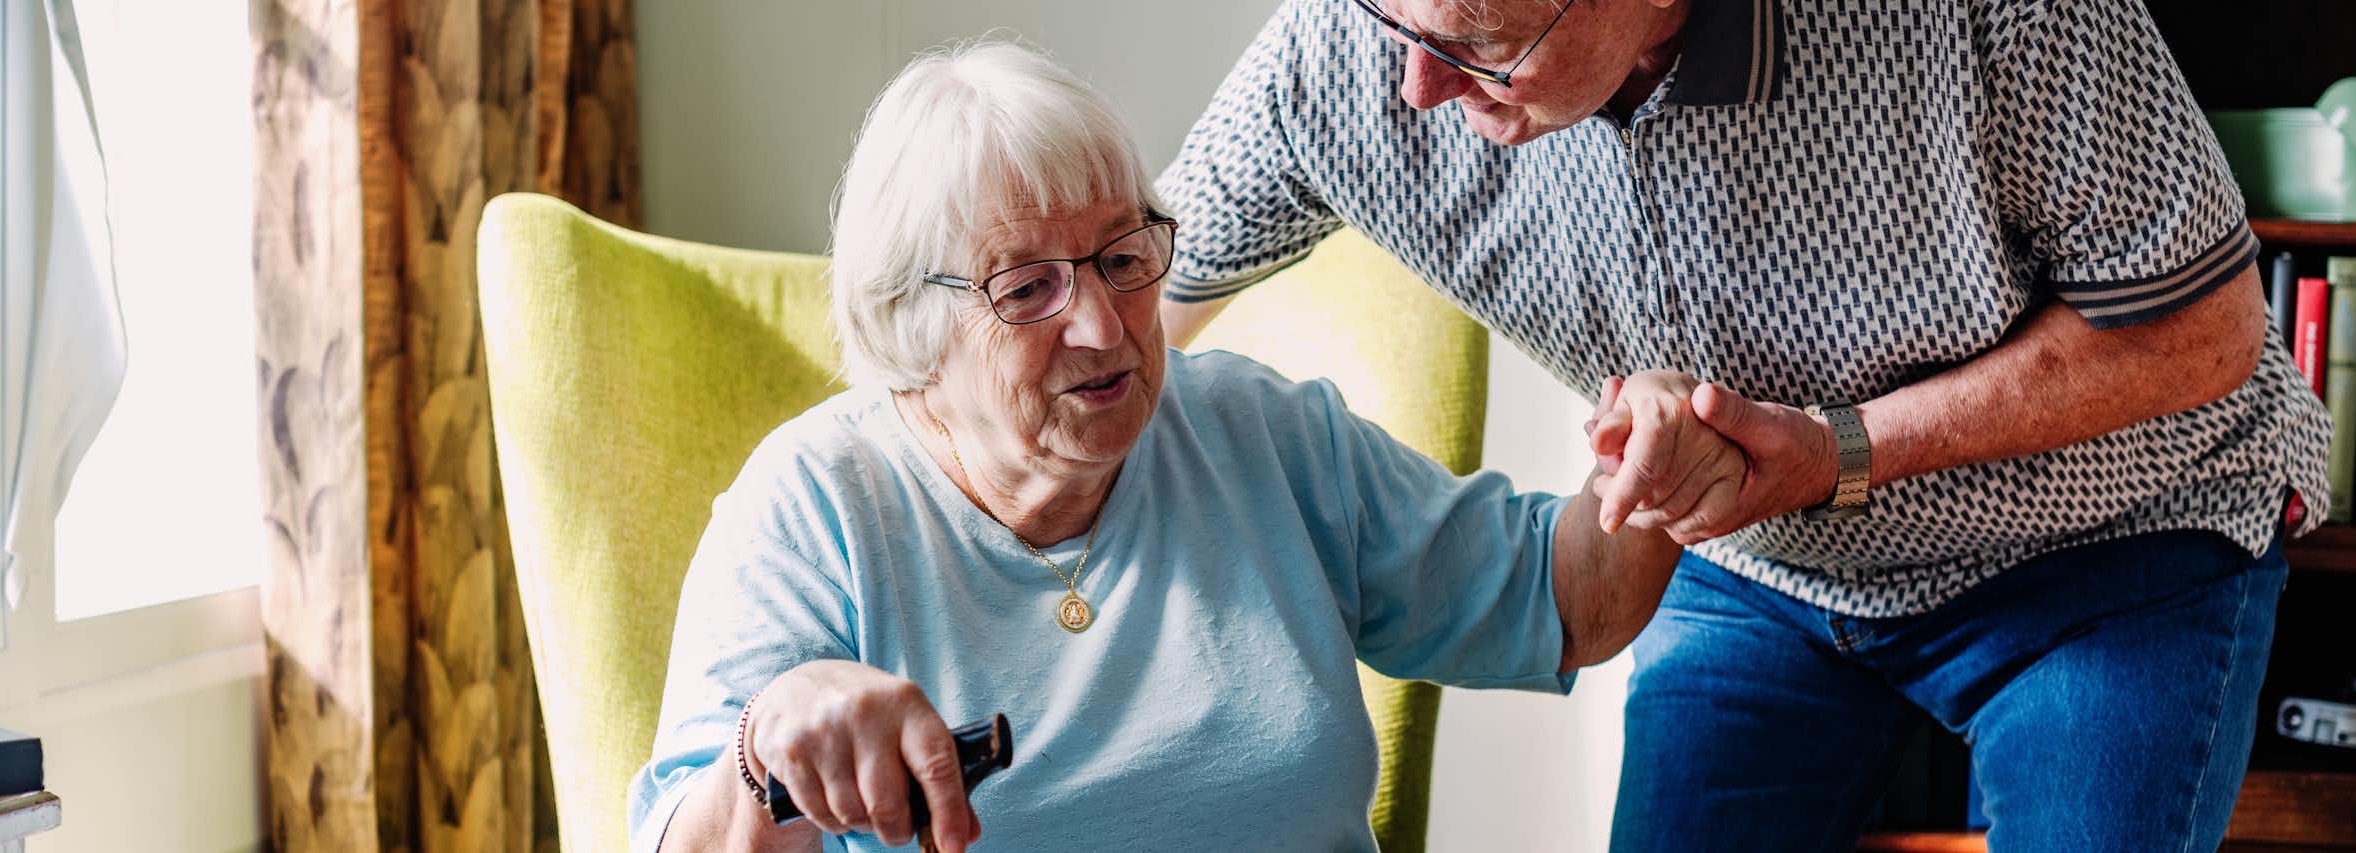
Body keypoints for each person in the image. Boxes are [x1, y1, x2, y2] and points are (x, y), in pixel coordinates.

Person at [1155, 0, 2331, 850]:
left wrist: (1837, 449)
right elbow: (1095, 316)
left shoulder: (1996, 13)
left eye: (1483, 46)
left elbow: (2200, 332)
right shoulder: (1353, 49)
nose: (1415, 85)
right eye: (1395, 21)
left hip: (2109, 541)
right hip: (1760, 572)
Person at [627, 40, 1681, 853]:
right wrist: (764, 746)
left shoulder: (1261, 437)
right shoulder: (815, 505)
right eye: (1027, 286)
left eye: (1122, 255)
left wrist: (1650, 457)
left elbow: (1559, 599)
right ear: (912, 323)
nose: (1103, 324)